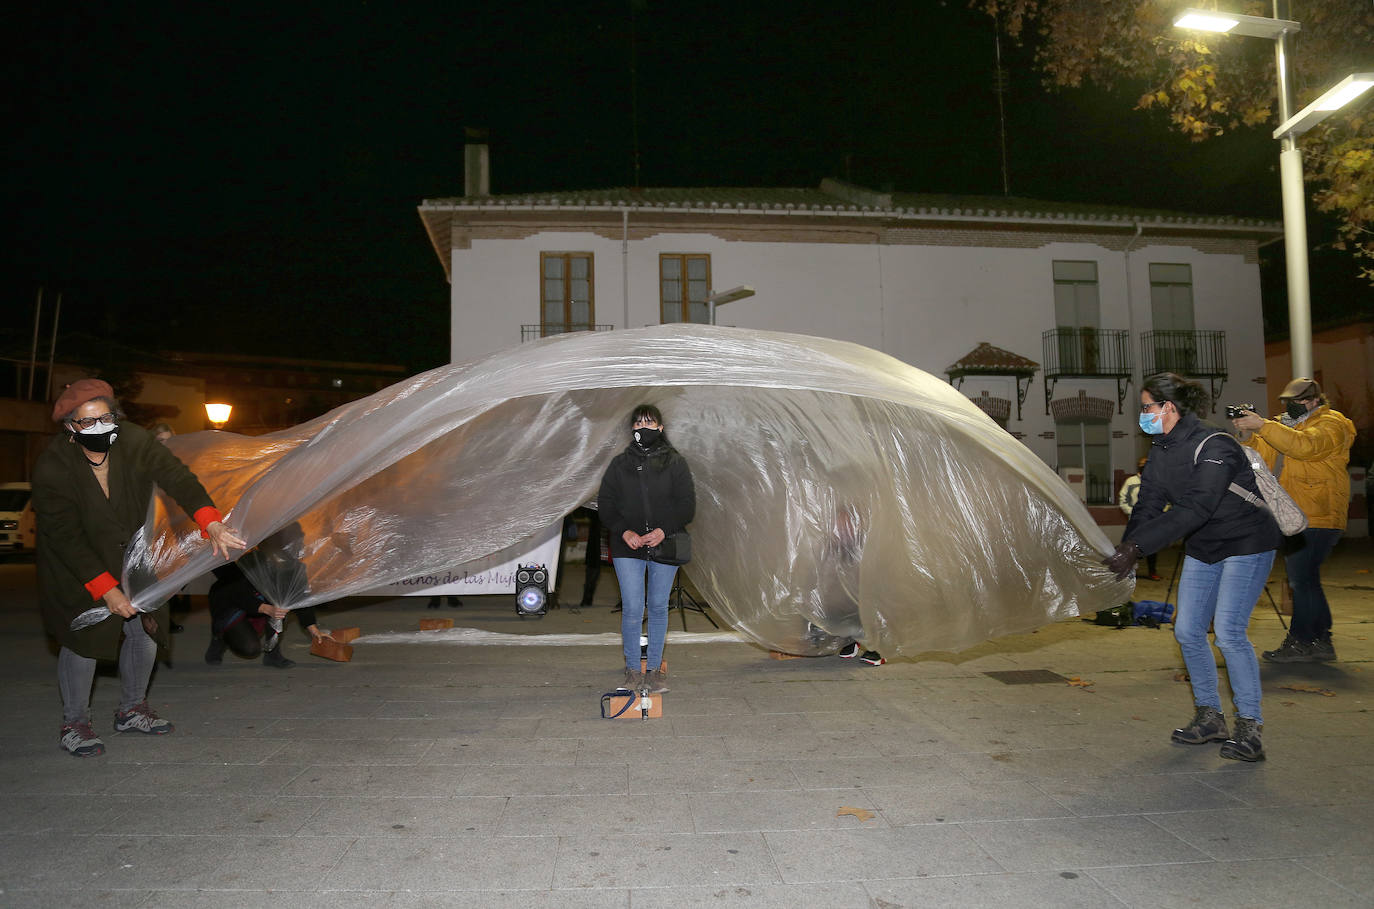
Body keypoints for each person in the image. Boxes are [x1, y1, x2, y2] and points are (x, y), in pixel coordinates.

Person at [32, 379, 245, 757]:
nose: (101, 427)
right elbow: (65, 536)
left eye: (106, 417)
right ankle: (75, 722)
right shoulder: (53, 466)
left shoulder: (131, 439)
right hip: (77, 562)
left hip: (132, 551)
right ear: (69, 426)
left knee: (145, 627)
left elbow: (177, 476)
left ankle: (132, 709)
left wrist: (209, 520)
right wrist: (106, 589)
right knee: (85, 635)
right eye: (88, 422)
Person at [1104, 373, 1280, 762]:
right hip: (1204, 546)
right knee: (1186, 630)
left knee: (1230, 632)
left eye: (1147, 406)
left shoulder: (1216, 445)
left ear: (1169, 408)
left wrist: (1137, 546)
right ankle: (1210, 717)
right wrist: (1128, 550)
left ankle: (1250, 729)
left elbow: (1198, 506)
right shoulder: (1162, 449)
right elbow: (1148, 504)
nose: (1142, 413)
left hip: (1246, 541)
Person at [1231, 377, 1356, 663]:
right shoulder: (1284, 425)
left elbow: (1306, 447)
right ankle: (1320, 641)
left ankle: (1301, 641)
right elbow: (1259, 458)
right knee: (1306, 579)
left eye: (1297, 401)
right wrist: (1247, 435)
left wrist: (1263, 425)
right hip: (1296, 514)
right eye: (1288, 401)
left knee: (1302, 579)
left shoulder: (1333, 423)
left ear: (1315, 400)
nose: (1291, 406)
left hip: (1319, 513)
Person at [597, 404, 695, 694]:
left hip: (666, 544)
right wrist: (624, 531)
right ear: (632, 430)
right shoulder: (618, 464)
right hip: (627, 546)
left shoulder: (677, 463)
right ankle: (631, 670)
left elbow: (686, 506)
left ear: (661, 429)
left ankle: (653, 671)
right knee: (632, 608)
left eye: (650, 423)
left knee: (657, 607)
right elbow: (606, 504)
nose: (644, 428)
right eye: (638, 423)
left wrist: (663, 530)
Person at [206, 563, 333, 668]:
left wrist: (313, 630)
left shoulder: (292, 567)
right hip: (230, 603)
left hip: (262, 601)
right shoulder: (249, 560)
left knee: (282, 607)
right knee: (250, 648)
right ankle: (219, 637)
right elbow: (235, 592)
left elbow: (298, 597)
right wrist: (265, 608)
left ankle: (272, 654)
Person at [150, 422, 190, 633]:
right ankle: (158, 620)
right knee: (157, 575)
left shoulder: (178, 464)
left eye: (169, 440)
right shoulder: (146, 464)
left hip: (174, 527)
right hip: (154, 528)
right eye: (161, 441)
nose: (166, 445)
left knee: (176, 574)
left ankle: (164, 616)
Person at [1117, 456, 1162, 581]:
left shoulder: (1155, 481)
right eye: (1143, 464)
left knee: (1152, 547)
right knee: (1132, 546)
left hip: (1152, 520)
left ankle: (1152, 572)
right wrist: (1133, 512)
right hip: (1135, 520)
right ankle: (1127, 571)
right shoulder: (1131, 482)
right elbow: (1123, 499)